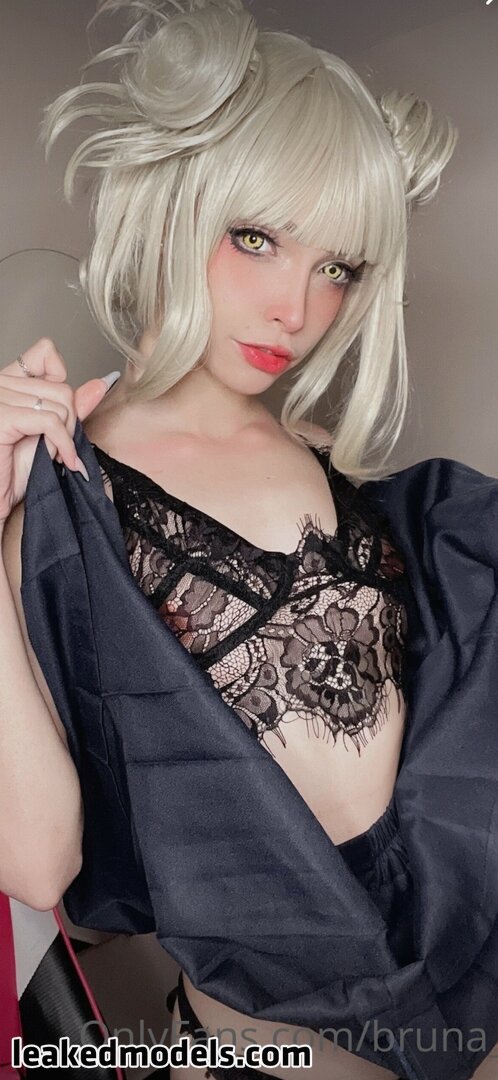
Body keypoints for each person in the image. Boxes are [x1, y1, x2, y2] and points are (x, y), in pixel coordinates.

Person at [1, 1, 497, 1078]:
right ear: (172, 203)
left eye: (340, 268)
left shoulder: (328, 461)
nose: (297, 309)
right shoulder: (63, 508)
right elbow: (37, 866)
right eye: (258, 238)